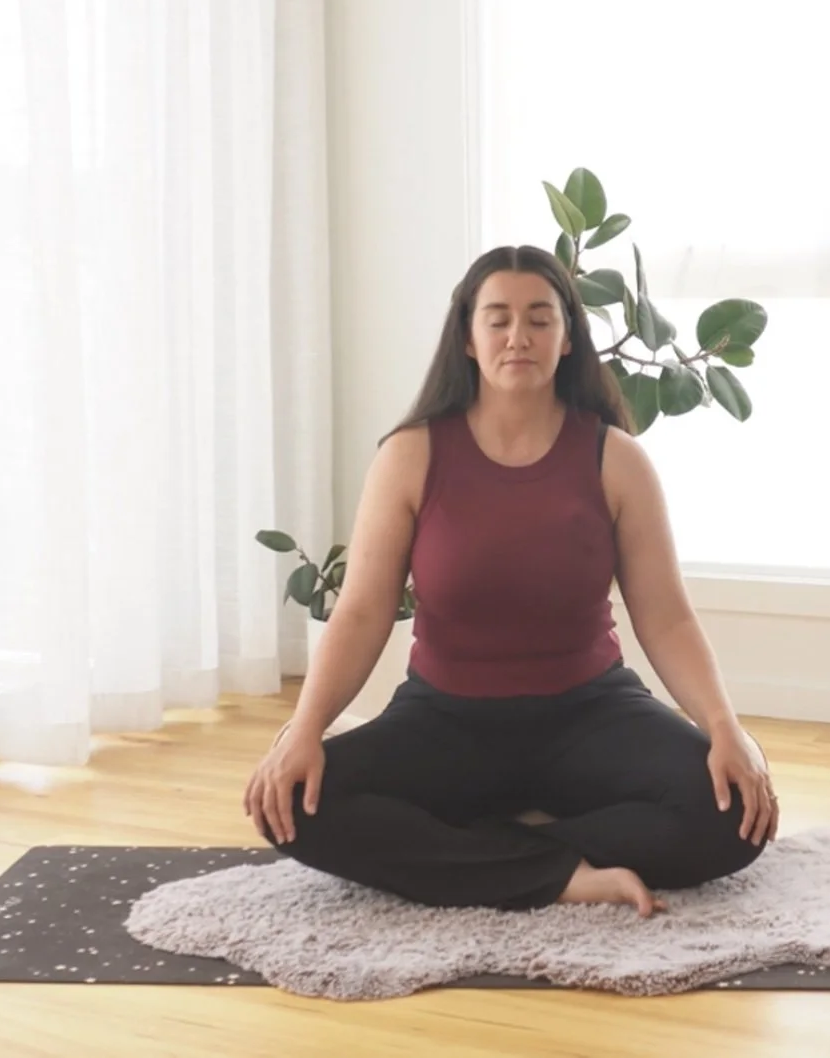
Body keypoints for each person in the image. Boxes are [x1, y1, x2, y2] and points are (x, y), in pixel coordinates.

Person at [243, 245, 777, 917]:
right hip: (447, 718)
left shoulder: (616, 459)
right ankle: (563, 872)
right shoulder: (410, 455)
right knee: (290, 804)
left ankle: (477, 852)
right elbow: (360, 612)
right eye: (496, 319)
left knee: (731, 817)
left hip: (589, 712)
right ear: (467, 337)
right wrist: (302, 731)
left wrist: (726, 730)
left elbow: (666, 616)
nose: (517, 337)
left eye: (538, 318)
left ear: (567, 337)